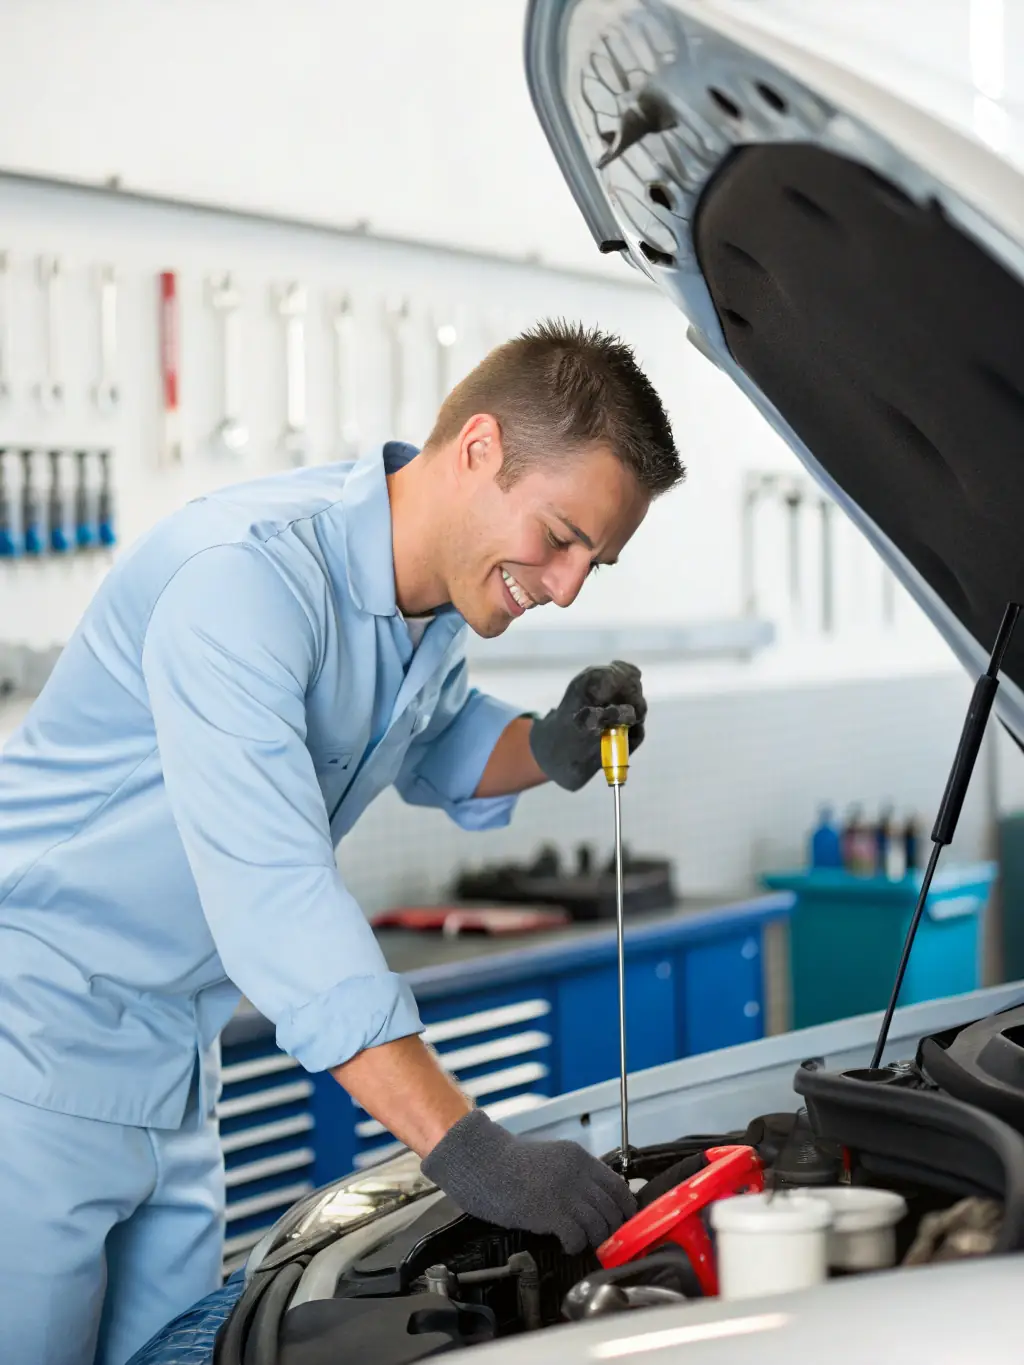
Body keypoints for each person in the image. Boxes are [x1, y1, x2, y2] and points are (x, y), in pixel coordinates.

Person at [0, 320, 683, 1364]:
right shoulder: (245, 585)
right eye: (560, 536)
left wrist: (545, 745)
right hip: (32, 1050)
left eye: (597, 557)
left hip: (171, 1065)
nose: (568, 585)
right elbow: (277, 902)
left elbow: (437, 741)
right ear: (479, 450)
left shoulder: (426, 604)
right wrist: (473, 1153)